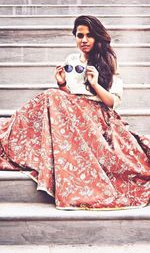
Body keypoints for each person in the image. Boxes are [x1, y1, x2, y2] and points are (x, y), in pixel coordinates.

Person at [0, 15, 149, 210]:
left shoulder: (108, 61)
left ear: (97, 38)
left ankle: (7, 135)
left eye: (89, 36)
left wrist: (95, 84)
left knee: (50, 96)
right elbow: (69, 96)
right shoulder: (71, 59)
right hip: (74, 110)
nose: (84, 40)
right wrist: (62, 83)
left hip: (97, 116)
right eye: (80, 35)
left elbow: (112, 102)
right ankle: (10, 137)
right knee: (51, 96)